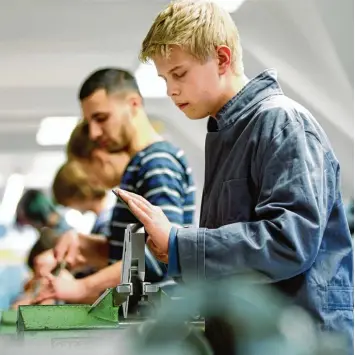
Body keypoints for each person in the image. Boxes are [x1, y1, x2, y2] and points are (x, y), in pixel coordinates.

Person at [116, 0, 353, 352]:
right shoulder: (227, 133)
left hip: (302, 336)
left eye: (179, 74)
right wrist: (176, 251)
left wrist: (182, 243)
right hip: (254, 335)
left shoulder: (281, 124)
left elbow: (290, 241)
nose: (170, 91)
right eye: (165, 79)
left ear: (223, 59)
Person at [35, 68, 196, 304]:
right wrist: (84, 245)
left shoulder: (158, 163)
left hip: (160, 317)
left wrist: (82, 287)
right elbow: (134, 250)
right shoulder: (138, 166)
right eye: (89, 122)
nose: (94, 132)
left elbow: (162, 255)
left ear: (133, 104)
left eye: (101, 118)